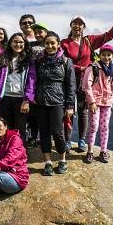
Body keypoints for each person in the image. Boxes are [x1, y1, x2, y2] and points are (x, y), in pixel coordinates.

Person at [60, 10, 113, 152]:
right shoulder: (64, 43)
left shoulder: (89, 41)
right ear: (71, 26)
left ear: (84, 27)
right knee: (68, 109)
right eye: (75, 23)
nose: (77, 26)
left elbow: (107, 37)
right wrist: (81, 67)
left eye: (80, 24)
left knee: (83, 110)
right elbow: (63, 61)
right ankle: (67, 140)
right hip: (68, 80)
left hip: (86, 81)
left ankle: (82, 140)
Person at [34, 32, 76, 176]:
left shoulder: (65, 61)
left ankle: (62, 160)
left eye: (53, 43)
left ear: (58, 44)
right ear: (44, 45)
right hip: (40, 101)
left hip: (58, 101)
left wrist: (70, 106)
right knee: (44, 132)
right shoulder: (39, 60)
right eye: (47, 43)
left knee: (58, 133)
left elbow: (71, 85)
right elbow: (34, 80)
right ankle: (47, 162)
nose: (50, 46)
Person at [0, 33, 35, 145]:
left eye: (21, 42)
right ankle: (5, 154)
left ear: (25, 44)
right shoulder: (1, 58)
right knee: (5, 129)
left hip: (20, 100)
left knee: (20, 130)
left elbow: (31, 81)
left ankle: (20, 155)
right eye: (15, 41)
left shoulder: (28, 60)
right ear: (10, 43)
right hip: (4, 99)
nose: (17, 44)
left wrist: (27, 100)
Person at [82, 44, 113, 164]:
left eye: (109, 55)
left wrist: (111, 101)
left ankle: (103, 151)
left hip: (107, 102)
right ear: (99, 55)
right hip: (95, 102)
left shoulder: (112, 70)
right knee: (94, 126)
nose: (106, 57)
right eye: (103, 55)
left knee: (105, 127)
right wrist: (91, 101)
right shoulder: (93, 68)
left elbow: (112, 87)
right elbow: (86, 85)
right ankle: (90, 151)